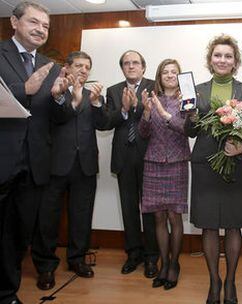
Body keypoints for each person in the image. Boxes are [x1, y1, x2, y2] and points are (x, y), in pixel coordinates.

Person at [185, 34, 242, 304]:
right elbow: (190, 131)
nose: (222, 60)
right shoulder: (197, 89)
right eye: (218, 55)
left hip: (236, 164)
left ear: (235, 61)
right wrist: (189, 114)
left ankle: (231, 282)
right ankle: (214, 282)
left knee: (234, 225)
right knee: (209, 226)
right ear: (210, 59)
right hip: (205, 163)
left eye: (228, 56)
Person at [0, 2, 61, 303]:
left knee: (17, 235)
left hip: (34, 163)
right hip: (2, 157)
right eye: (34, 22)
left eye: (46, 26)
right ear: (14, 21)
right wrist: (24, 88)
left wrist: (62, 98)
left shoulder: (52, 66)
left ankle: (7, 293)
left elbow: (57, 118)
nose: (40, 29)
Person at [31, 51, 107, 290]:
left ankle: (77, 260)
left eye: (87, 67)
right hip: (55, 165)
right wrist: (66, 97)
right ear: (68, 68)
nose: (83, 70)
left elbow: (103, 124)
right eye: (79, 66)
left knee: (81, 217)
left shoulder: (94, 96)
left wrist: (96, 104)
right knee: (48, 219)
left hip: (85, 165)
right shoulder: (53, 93)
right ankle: (45, 268)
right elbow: (55, 118)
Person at [103, 50, 158, 277]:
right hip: (124, 158)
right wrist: (124, 109)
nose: (131, 66)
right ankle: (133, 254)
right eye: (127, 63)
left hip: (150, 156)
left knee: (150, 210)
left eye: (135, 63)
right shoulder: (114, 90)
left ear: (143, 67)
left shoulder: (156, 87)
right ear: (122, 68)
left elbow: (160, 120)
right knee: (128, 209)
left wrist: (141, 108)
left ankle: (152, 257)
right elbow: (106, 122)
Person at [138, 59, 190, 290]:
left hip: (177, 162)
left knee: (174, 217)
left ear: (179, 76)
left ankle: (175, 264)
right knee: (158, 217)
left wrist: (162, 112)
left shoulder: (187, 99)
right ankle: (164, 263)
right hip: (153, 162)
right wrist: (148, 113)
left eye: (174, 72)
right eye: (165, 72)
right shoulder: (151, 98)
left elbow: (186, 128)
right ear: (159, 76)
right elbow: (143, 132)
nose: (169, 75)